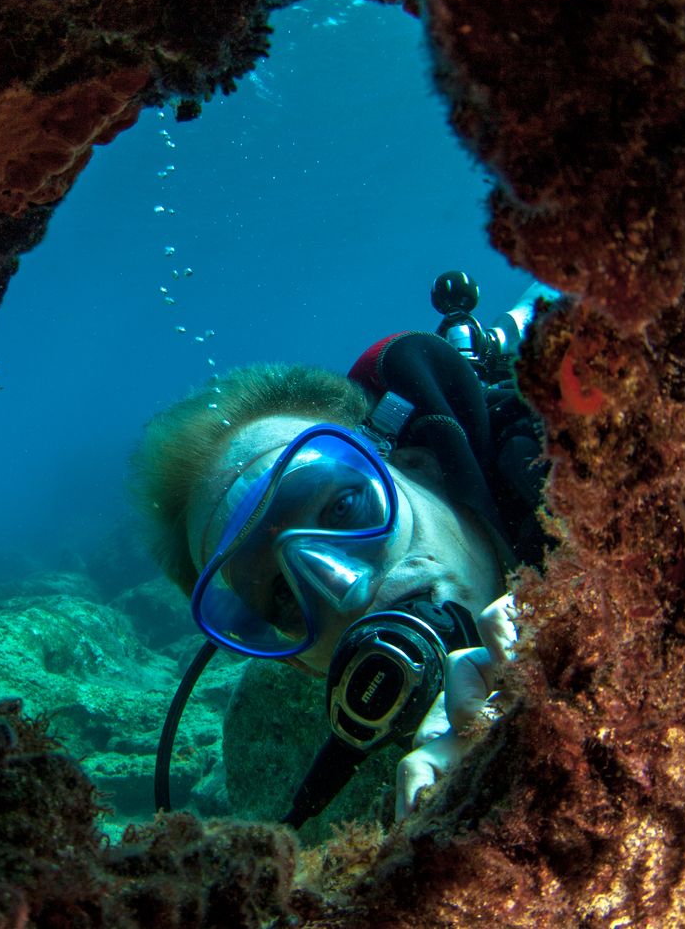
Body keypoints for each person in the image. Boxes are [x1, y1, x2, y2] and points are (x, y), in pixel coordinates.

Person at [132, 276, 553, 823]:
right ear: (308, 669)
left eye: (342, 508)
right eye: (282, 595)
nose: (347, 590)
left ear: (416, 466)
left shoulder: (568, 467)